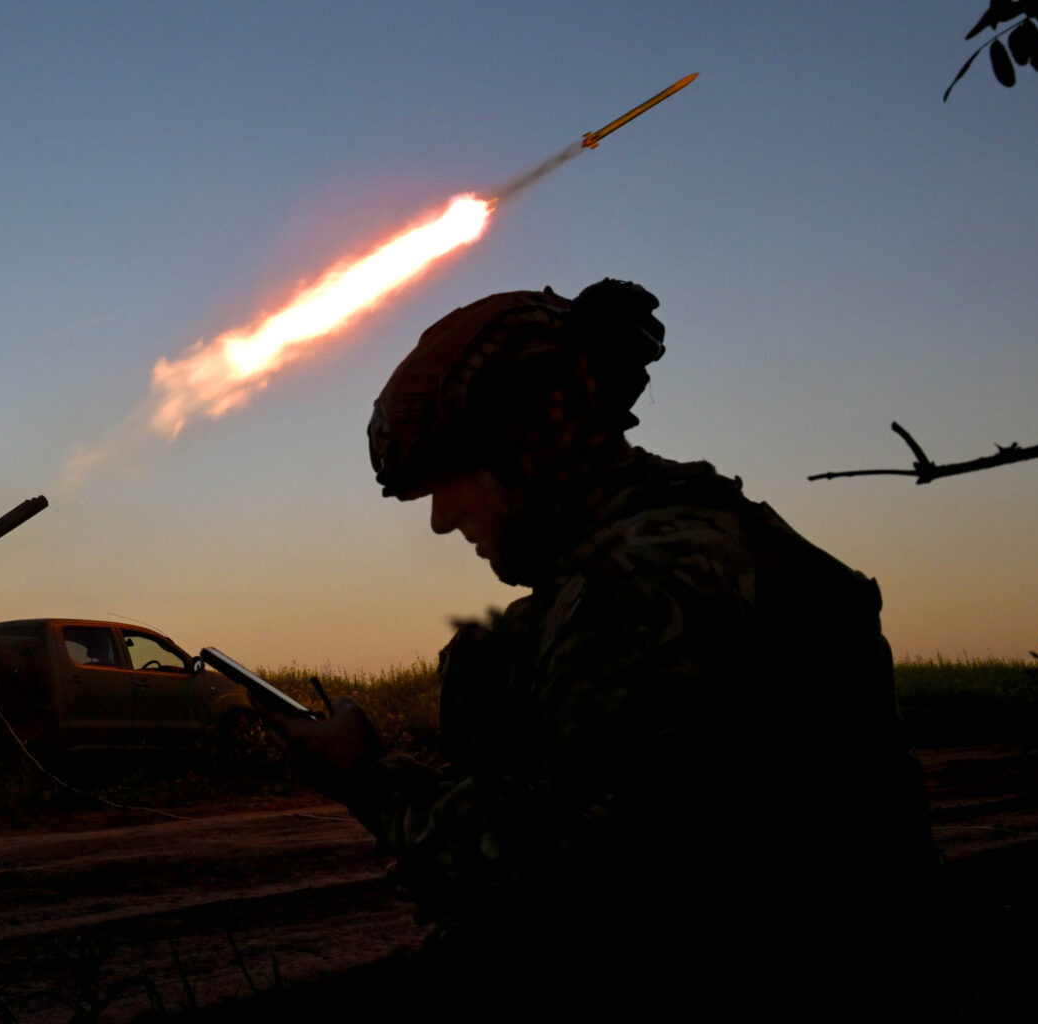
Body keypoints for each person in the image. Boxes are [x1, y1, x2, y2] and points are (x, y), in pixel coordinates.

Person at [275, 280, 937, 991]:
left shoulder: (640, 590)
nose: (441, 519)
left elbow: (573, 877)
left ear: (530, 442)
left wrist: (367, 779)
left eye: (455, 477)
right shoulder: (709, 535)